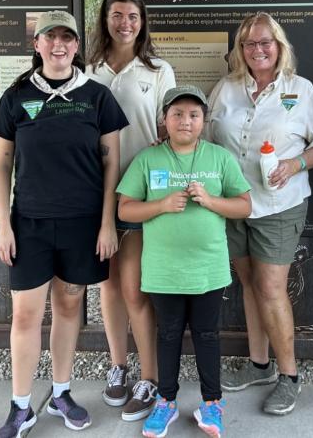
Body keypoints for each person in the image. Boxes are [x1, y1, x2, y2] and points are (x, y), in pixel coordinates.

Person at [0, 10, 128, 437]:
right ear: (37, 45)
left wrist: (107, 225)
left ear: (77, 46)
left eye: (67, 37)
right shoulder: (16, 97)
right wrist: (2, 226)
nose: (59, 45)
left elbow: (112, 164)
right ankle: (21, 406)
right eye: (50, 38)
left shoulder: (97, 97)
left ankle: (62, 393)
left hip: (82, 227)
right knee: (26, 316)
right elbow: (1, 163)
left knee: (69, 309)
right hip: (28, 225)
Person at [207, 12, 313, 415]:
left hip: (279, 206)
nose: (257, 50)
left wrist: (295, 164)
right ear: (240, 50)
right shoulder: (226, 88)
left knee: (270, 287)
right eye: (249, 43)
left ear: (280, 47)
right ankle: (259, 365)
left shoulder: (300, 90)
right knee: (248, 283)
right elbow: (206, 136)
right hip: (234, 203)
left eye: (265, 42)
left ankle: (289, 376)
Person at [117, 86, 252, 438]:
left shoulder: (219, 158)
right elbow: (125, 207)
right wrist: (160, 205)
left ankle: (212, 403)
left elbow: (244, 205)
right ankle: (166, 401)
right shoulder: (148, 159)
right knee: (169, 334)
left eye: (193, 115)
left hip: (208, 269)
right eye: (177, 114)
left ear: (204, 121)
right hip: (164, 270)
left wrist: (209, 200)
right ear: (164, 119)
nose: (185, 121)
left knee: (207, 335)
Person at [86, 0, 175, 421]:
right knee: (107, 286)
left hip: (139, 194)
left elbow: (171, 126)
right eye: (117, 15)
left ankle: (150, 376)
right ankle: (117, 367)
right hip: (92, 194)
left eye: (133, 16)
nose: (125, 23)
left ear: (143, 22)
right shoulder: (87, 70)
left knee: (135, 289)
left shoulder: (158, 71)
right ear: (105, 19)